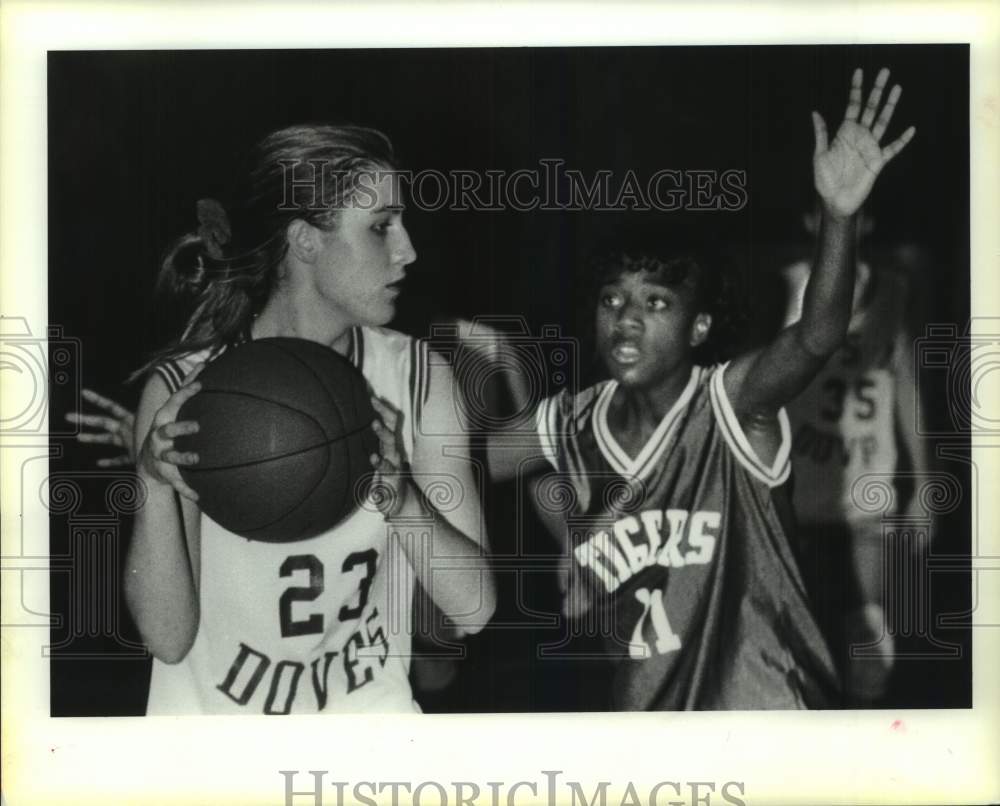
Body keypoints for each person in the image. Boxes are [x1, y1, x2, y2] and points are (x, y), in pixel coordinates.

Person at [486, 68, 915, 709]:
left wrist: (837, 218)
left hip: (765, 712)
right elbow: (463, 463)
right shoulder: (570, 424)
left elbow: (815, 337)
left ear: (700, 326)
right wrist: (571, 531)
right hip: (652, 722)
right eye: (613, 299)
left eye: (656, 302)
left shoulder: (733, 402)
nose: (627, 316)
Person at [117, 124, 495, 715]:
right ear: (305, 240)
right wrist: (152, 483)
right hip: (218, 746)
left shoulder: (420, 378)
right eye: (380, 227)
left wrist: (403, 500)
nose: (407, 250)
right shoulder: (185, 393)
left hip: (368, 739)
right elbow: (167, 640)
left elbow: (472, 610)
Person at [780, 210, 930, 705]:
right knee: (807, 642)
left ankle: (861, 757)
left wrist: (926, 485)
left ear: (868, 223)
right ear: (808, 220)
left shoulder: (893, 290)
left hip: (868, 488)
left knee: (869, 643)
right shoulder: (783, 287)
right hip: (800, 491)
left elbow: (907, 386)